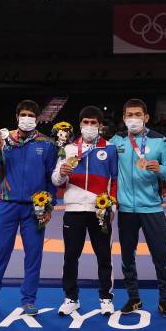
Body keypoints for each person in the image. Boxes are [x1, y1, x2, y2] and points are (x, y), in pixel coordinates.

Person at [0, 99, 58, 317]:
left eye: (31, 115)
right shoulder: (4, 140)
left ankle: (28, 302)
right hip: (7, 205)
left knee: (33, 256)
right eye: (23, 114)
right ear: (17, 117)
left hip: (34, 209)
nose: (26, 118)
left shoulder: (47, 144)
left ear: (37, 119)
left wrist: (49, 206)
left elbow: (51, 179)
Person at [109, 98, 166, 318]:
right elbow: (102, 162)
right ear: (124, 118)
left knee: (161, 255)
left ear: (146, 117)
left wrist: (161, 169)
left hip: (152, 208)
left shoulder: (159, 140)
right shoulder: (116, 140)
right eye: (129, 115)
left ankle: (164, 301)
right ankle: (134, 298)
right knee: (127, 256)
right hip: (126, 209)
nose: (133, 119)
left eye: (137, 114)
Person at [52, 106, 118, 316]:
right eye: (86, 122)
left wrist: (112, 204)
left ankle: (106, 298)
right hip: (73, 210)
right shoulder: (68, 149)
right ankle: (71, 298)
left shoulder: (110, 148)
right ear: (80, 125)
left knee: (104, 256)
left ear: (100, 126)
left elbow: (115, 180)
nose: (89, 126)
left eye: (94, 123)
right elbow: (56, 180)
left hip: (100, 210)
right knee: (71, 256)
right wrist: (62, 173)